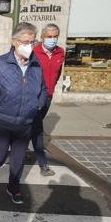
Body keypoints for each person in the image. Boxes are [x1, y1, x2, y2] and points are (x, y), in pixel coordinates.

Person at [0, 22, 47, 205]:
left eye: (33, 42)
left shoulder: (36, 64)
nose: (30, 46)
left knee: (18, 159)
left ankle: (14, 187)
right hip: (0, 120)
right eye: (26, 41)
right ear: (15, 42)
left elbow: (43, 89)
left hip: (25, 122)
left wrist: (37, 106)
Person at [32, 23, 65, 176]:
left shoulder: (60, 52)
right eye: (49, 36)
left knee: (32, 126)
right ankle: (42, 163)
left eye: (55, 36)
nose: (52, 39)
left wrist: (51, 90)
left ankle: (19, 147)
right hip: (33, 96)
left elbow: (57, 74)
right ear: (42, 37)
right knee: (38, 128)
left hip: (48, 96)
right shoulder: (33, 51)